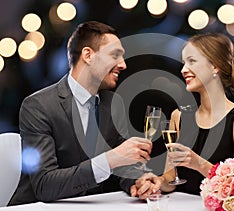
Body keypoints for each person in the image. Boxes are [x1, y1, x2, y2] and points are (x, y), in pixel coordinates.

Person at [9, 21, 159, 205]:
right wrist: (109, 160)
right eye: (115, 55)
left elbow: (124, 166)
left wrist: (137, 181)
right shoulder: (38, 106)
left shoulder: (113, 103)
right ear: (88, 55)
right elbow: (44, 186)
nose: (123, 65)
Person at [157, 33, 234, 195]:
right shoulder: (179, 116)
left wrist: (198, 163)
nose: (183, 70)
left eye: (192, 61)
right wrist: (157, 182)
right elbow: (171, 179)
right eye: (184, 63)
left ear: (214, 66)